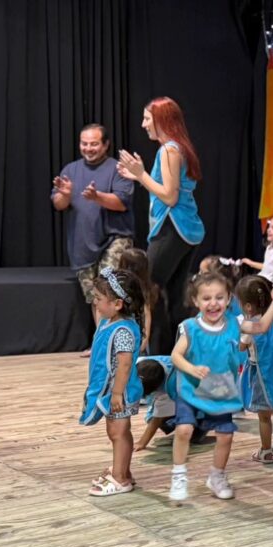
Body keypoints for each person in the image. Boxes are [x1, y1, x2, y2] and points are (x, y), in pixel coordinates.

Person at [117, 97, 205, 340]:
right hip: (185, 229)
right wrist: (139, 176)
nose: (143, 124)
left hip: (172, 227)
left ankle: (155, 350)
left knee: (149, 290)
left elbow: (169, 196)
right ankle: (177, 350)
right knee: (174, 295)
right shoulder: (178, 148)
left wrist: (141, 174)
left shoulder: (169, 150)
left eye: (147, 118)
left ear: (162, 120)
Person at [168, 272, 243, 502]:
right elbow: (175, 356)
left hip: (220, 391)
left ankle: (217, 476)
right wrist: (192, 369)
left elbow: (259, 326)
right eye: (207, 298)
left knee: (226, 435)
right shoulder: (191, 327)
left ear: (228, 298)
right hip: (191, 389)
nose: (213, 303)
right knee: (184, 430)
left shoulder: (234, 323)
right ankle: (179, 475)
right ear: (196, 301)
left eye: (219, 297)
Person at [51, 124, 134, 329]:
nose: (88, 148)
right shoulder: (70, 170)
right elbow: (58, 204)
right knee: (96, 298)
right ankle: (102, 339)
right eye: (84, 143)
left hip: (115, 239)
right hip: (83, 245)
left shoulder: (118, 169)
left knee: (109, 291)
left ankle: (116, 338)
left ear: (105, 145)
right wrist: (65, 195)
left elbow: (121, 203)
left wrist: (97, 197)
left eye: (94, 144)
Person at [80, 268, 145, 497]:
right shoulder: (109, 322)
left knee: (118, 432)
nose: (95, 302)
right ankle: (123, 471)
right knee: (119, 432)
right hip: (114, 390)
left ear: (117, 304)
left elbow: (125, 365)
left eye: (98, 298)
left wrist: (117, 394)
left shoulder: (123, 330)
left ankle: (119, 479)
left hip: (121, 392)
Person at [236, 276, 273, 463]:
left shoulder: (251, 326)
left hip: (260, 375)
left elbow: (241, 347)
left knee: (264, 416)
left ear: (247, 306)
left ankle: (266, 450)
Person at [117, 248, 158, 355]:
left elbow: (146, 315)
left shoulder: (142, 291)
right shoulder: (145, 288)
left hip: (133, 337)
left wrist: (144, 340)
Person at [242, 215, 273, 285]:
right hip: (263, 280)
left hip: (272, 284)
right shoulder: (269, 248)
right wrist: (251, 263)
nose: (269, 230)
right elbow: (267, 267)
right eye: (269, 227)